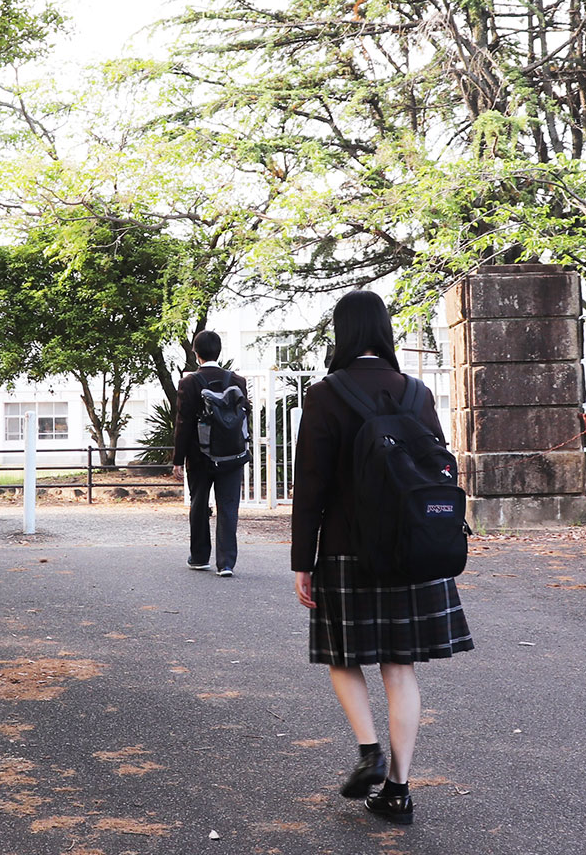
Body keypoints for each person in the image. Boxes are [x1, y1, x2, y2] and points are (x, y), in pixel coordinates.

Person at [291, 290, 473, 826]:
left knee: (342, 658)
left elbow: (311, 487)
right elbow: (440, 469)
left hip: (348, 550)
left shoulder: (326, 395)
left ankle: (368, 749)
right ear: (384, 332)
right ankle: (398, 788)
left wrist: (304, 559)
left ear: (342, 333)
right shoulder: (416, 392)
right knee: (400, 667)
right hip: (412, 549)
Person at [172, 330, 250, 576]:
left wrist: (178, 460)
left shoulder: (189, 382)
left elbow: (183, 423)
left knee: (199, 504)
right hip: (232, 455)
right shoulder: (238, 381)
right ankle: (226, 563)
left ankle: (199, 557)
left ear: (196, 354)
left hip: (200, 456)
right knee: (228, 506)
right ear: (219, 352)